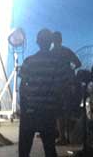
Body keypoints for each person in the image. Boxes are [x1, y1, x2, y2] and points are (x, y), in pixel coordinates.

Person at [19, 29, 70, 157]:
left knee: (24, 150)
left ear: (37, 42)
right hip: (48, 112)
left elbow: (22, 87)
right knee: (49, 148)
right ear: (51, 42)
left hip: (30, 111)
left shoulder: (29, 62)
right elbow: (63, 87)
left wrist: (24, 108)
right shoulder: (58, 64)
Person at [52, 31, 81, 144]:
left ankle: (61, 137)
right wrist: (70, 70)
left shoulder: (51, 53)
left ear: (53, 41)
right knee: (68, 111)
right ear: (61, 40)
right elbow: (78, 63)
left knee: (58, 112)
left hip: (56, 86)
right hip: (68, 85)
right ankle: (69, 135)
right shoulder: (67, 51)